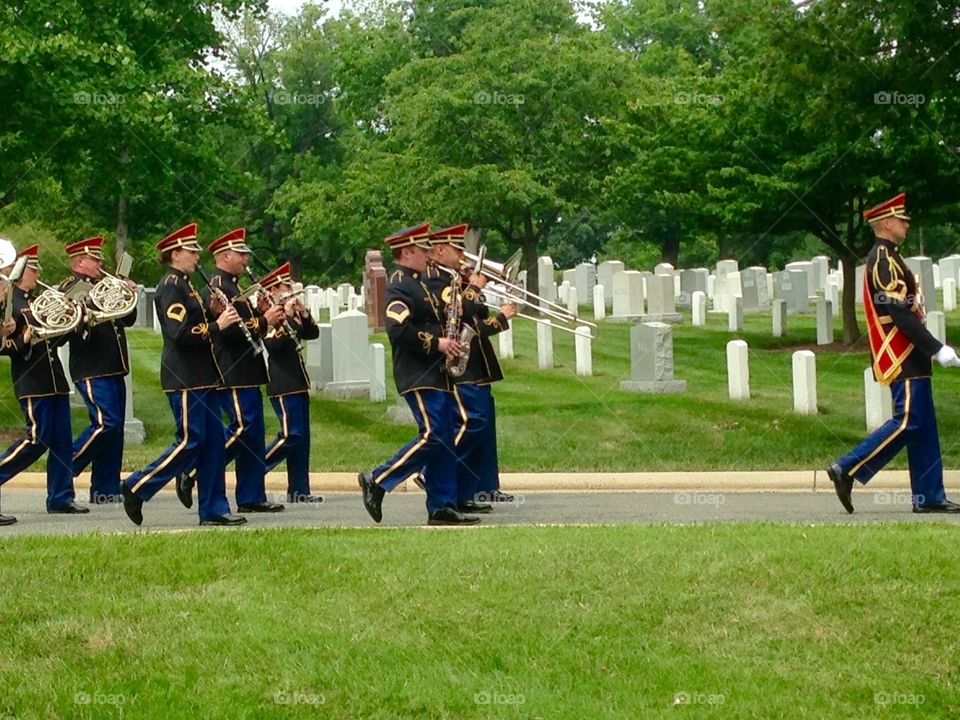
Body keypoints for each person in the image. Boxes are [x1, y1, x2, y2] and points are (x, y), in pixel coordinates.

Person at [827, 192, 960, 514]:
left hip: (911, 353)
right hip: (901, 352)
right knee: (909, 421)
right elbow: (899, 313)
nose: (907, 224)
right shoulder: (883, 260)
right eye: (902, 219)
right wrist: (936, 347)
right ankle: (847, 467)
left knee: (924, 425)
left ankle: (928, 496)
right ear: (887, 223)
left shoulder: (891, 257)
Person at [121, 223, 246, 526]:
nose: (196, 256)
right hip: (185, 377)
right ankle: (138, 485)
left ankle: (214, 508)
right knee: (191, 441)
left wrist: (215, 313)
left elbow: (198, 325)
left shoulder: (187, 284)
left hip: (204, 376)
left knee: (213, 444)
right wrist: (220, 325)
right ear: (175, 253)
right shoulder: (170, 285)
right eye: (191, 251)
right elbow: (179, 333)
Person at [357, 223, 479, 526]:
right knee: (434, 434)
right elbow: (398, 329)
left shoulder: (422, 282)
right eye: (424, 250)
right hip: (418, 372)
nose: (429, 255)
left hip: (438, 373)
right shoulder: (400, 284)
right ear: (408, 251)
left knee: (445, 438)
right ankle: (378, 478)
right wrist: (437, 342)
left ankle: (441, 505)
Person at [425, 224, 516, 513]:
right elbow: (465, 320)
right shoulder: (435, 280)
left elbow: (475, 312)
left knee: (483, 429)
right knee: (471, 425)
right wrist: (478, 292)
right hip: (461, 367)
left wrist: (474, 289)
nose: (462, 257)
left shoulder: (455, 280)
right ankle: (439, 477)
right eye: (457, 250)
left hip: (477, 365)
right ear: (439, 250)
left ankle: (478, 488)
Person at [196, 228, 284, 513]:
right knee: (242, 428)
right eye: (241, 254)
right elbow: (230, 331)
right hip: (231, 367)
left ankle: (251, 495)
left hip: (248, 367)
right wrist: (265, 320)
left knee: (254, 434)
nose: (247, 259)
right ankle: (197, 469)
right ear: (224, 256)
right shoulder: (216, 285)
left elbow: (246, 324)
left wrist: (260, 313)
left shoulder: (233, 284)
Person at [0, 244, 88, 522]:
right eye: (34, 269)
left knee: (62, 441)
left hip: (54, 379)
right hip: (32, 381)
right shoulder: (10, 302)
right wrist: (24, 338)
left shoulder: (34, 299)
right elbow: (5, 346)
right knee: (37, 439)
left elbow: (52, 339)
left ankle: (61, 497)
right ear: (22, 271)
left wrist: (74, 322)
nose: (38, 274)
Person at [59, 235, 137, 504]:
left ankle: (105, 489)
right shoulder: (71, 287)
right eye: (95, 259)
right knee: (106, 423)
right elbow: (71, 325)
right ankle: (65, 466)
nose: (101, 263)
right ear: (80, 261)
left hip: (114, 366)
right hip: (91, 366)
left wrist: (127, 293)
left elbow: (127, 319)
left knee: (114, 431)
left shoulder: (106, 285)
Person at [260, 261, 322, 503]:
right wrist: (284, 315)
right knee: (290, 435)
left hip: (298, 382)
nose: (289, 288)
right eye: (283, 285)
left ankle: (299, 490)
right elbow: (274, 345)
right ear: (272, 291)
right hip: (281, 383)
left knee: (302, 440)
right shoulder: (268, 316)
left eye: (288, 284)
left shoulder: (291, 315)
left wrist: (303, 313)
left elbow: (312, 333)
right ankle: (256, 469)